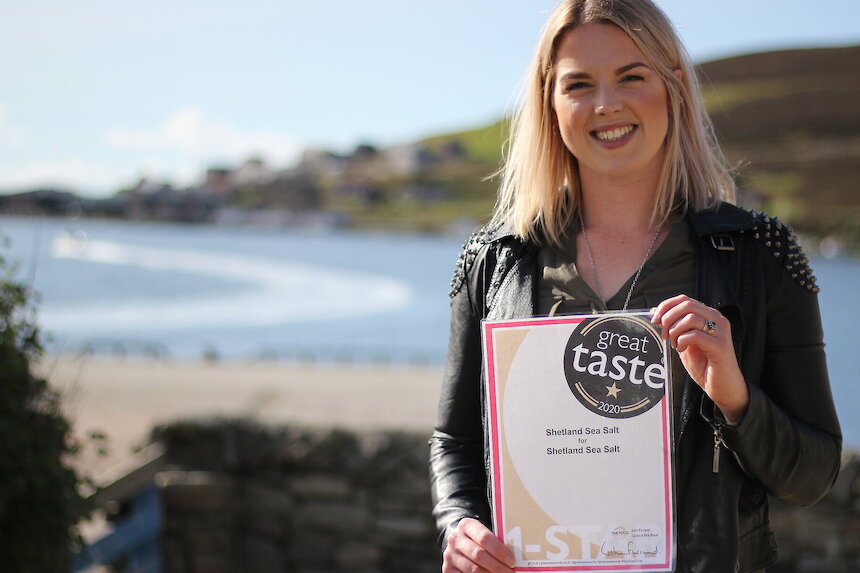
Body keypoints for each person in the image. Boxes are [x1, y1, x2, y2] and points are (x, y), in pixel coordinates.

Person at [428, 1, 842, 572]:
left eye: (631, 76)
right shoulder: (493, 259)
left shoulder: (760, 254)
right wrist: (460, 526)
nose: (607, 104)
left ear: (673, 85)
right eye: (578, 84)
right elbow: (455, 441)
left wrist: (736, 399)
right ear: (550, 103)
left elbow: (814, 475)